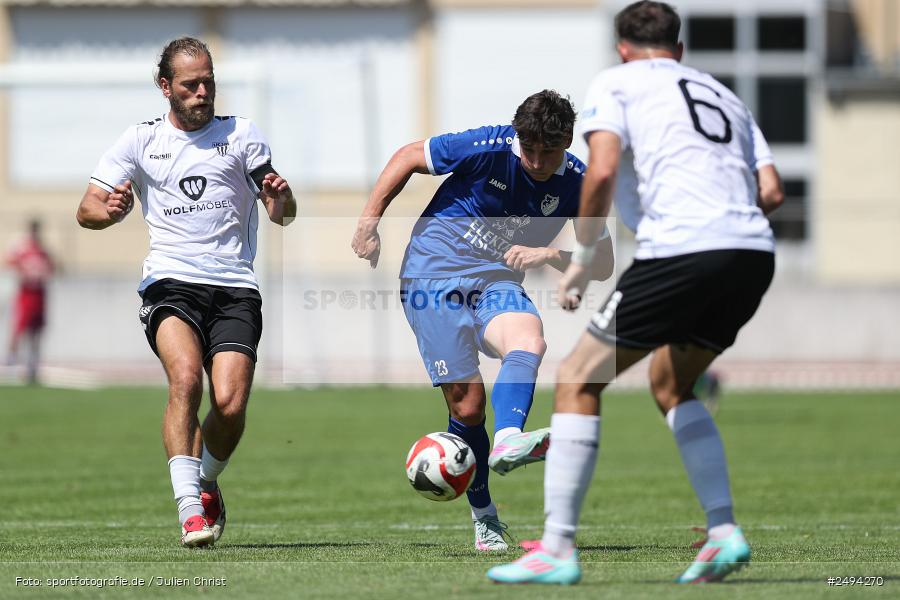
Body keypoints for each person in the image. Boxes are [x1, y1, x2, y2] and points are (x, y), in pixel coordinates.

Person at [488, 0, 784, 584]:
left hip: (681, 250)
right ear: (678, 49)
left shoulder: (617, 83)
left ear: (623, 48)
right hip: (752, 252)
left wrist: (580, 261)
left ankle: (556, 549)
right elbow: (770, 190)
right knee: (671, 382)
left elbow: (599, 172)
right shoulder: (723, 94)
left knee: (577, 379)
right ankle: (723, 532)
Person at [352, 90, 613, 551]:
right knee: (468, 408)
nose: (535, 160)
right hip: (431, 271)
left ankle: (509, 437)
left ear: (568, 141)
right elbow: (409, 155)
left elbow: (605, 261)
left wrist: (552, 254)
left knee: (529, 339)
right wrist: (369, 221)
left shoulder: (580, 182)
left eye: (546, 151)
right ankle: (485, 516)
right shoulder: (487, 146)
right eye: (527, 148)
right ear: (517, 137)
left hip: (495, 278)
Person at [76, 37, 296, 547]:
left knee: (230, 403)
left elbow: (281, 212)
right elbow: (86, 208)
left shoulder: (241, 134)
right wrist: (106, 213)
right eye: (190, 84)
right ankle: (190, 512)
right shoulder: (137, 140)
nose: (202, 92)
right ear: (165, 88)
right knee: (184, 381)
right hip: (170, 281)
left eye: (209, 82)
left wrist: (282, 199)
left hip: (235, 285)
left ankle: (207, 483)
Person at [5, 219, 54, 384]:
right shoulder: (23, 250)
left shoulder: (42, 251)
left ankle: (33, 365)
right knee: (19, 328)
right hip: (26, 294)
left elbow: (52, 267)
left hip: (40, 295)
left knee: (36, 331)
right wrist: (23, 272)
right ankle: (11, 361)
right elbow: (9, 261)